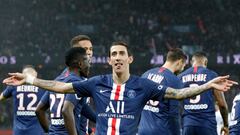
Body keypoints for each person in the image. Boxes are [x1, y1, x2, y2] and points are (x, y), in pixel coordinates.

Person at [3, 41, 237, 135]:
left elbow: (178, 94)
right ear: (109, 60)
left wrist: (208, 84)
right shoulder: (97, 83)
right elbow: (61, 86)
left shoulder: (143, 85)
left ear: (130, 59)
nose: (117, 58)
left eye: (121, 54)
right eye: (113, 54)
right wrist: (30, 80)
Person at [35, 47, 95, 135]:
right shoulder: (76, 82)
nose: (89, 65)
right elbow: (66, 110)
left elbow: (39, 110)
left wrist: (49, 131)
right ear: (80, 64)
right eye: (87, 61)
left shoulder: (56, 82)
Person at [178, 52, 229, 135]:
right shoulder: (212, 75)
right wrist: (226, 125)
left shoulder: (180, 77)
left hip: (188, 124)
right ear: (205, 62)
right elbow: (222, 105)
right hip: (207, 124)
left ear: (191, 62)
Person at [138, 48, 186, 135]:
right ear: (179, 61)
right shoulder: (174, 80)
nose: (182, 69)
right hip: (162, 131)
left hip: (143, 130)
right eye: (183, 66)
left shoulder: (145, 74)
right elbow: (173, 115)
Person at [61, 34, 96, 135]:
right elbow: (66, 110)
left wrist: (87, 130)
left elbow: (80, 108)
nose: (89, 52)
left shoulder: (68, 75)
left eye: (90, 49)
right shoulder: (74, 79)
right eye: (85, 49)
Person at [0, 65, 45, 135]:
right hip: (37, 131)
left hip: (19, 132)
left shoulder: (14, 86)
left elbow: (1, 98)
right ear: (36, 74)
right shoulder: (43, 87)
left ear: (22, 75)